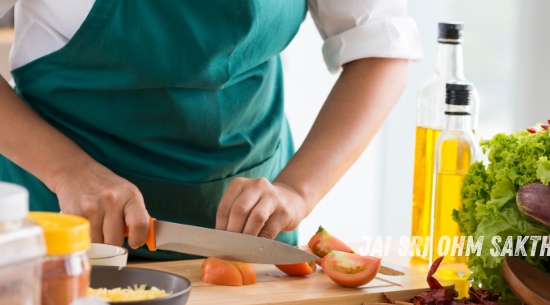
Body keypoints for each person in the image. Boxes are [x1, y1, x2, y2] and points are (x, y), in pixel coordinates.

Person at [0, 0, 422, 259]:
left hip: (251, 240)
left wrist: (297, 190)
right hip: (65, 224)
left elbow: (379, 50)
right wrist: (67, 172)